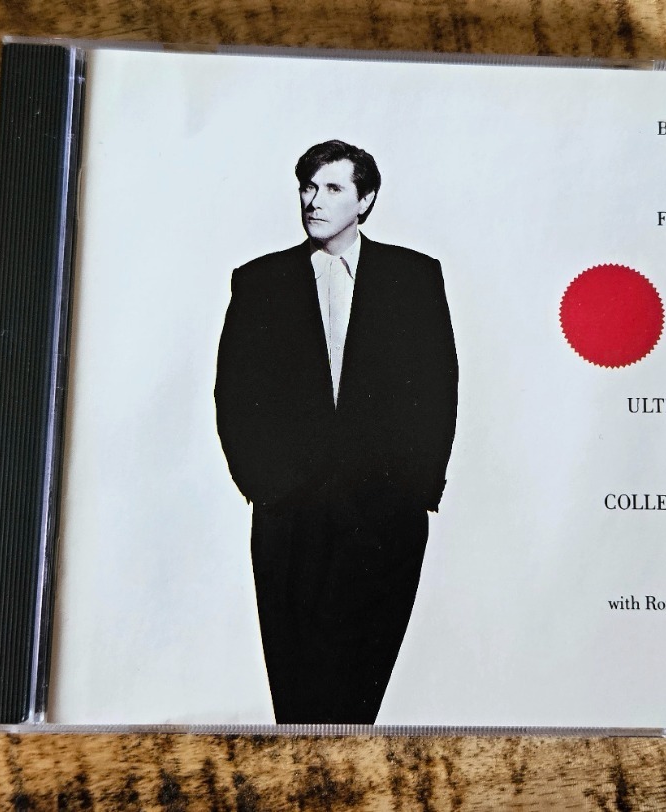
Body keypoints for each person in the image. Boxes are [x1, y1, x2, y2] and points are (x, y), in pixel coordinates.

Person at [215, 140, 458, 724]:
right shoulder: (259, 280)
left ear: (364, 200)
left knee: (358, 697)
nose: (314, 201)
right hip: (290, 514)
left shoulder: (413, 276)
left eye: (332, 188)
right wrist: (264, 487)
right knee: (297, 697)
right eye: (307, 187)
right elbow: (234, 392)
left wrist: (416, 491)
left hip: (386, 514)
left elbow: (438, 384)